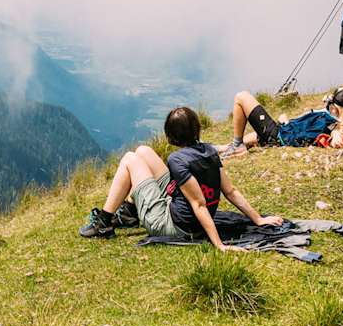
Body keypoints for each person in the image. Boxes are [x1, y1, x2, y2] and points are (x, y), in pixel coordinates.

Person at [78, 106, 282, 251]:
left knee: (130, 159)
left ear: (171, 136)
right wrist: (258, 219)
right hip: (179, 211)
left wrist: (219, 245)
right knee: (143, 151)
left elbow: (199, 204)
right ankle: (130, 213)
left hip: (172, 225)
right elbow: (230, 191)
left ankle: (103, 223)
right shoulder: (210, 152)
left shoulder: (177, 160)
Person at [222, 87, 343, 157]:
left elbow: (301, 137)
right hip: (281, 132)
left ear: (335, 108)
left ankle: (237, 145)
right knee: (224, 148)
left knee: (242, 96)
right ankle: (226, 148)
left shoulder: (328, 122)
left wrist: (285, 124)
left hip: (278, 135)